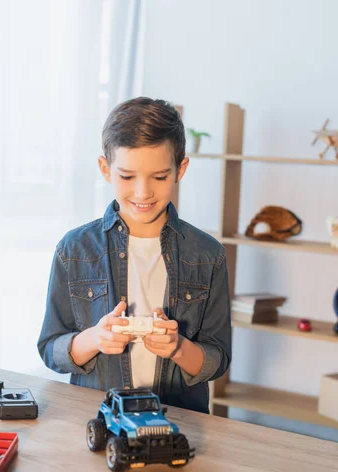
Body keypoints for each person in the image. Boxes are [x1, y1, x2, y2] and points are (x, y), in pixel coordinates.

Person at [38, 97, 231, 413]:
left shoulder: (208, 256)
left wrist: (178, 347)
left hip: (179, 426)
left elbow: (217, 359)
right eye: (127, 176)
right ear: (105, 169)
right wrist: (95, 339)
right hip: (99, 421)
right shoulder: (73, 250)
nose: (143, 193)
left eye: (159, 177)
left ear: (180, 169)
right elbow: (51, 350)